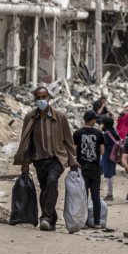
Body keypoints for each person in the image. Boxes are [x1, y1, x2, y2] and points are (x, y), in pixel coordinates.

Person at [13, 86, 80, 231]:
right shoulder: (30, 118)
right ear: (35, 99)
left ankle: (45, 217)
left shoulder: (60, 117)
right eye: (38, 97)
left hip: (57, 158)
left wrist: (73, 160)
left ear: (49, 98)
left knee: (51, 182)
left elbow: (68, 140)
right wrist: (24, 163)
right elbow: (25, 141)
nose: (41, 100)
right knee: (45, 189)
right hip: (39, 160)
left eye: (44, 97)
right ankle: (53, 220)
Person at [73, 111, 106, 228]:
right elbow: (102, 151)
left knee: (84, 196)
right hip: (95, 169)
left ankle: (85, 222)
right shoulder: (99, 133)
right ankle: (97, 223)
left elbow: (74, 151)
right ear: (92, 121)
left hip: (82, 169)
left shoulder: (77, 134)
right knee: (95, 195)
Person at [100, 115, 120, 200]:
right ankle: (110, 193)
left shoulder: (106, 134)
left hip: (106, 156)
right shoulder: (114, 131)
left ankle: (110, 194)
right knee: (110, 174)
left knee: (108, 176)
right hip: (113, 156)